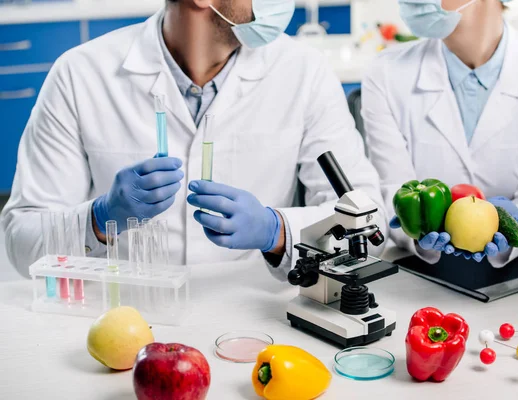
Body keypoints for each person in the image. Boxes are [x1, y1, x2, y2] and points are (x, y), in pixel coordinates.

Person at [1, 0, 386, 279]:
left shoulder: (304, 72)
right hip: (124, 316)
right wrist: (100, 219)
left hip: (253, 320)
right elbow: (22, 244)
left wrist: (278, 230)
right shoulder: (79, 74)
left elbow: (370, 223)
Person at [362, 0, 518, 266]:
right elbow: (392, 191)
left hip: (516, 273)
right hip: (422, 274)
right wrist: (415, 231)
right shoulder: (385, 73)